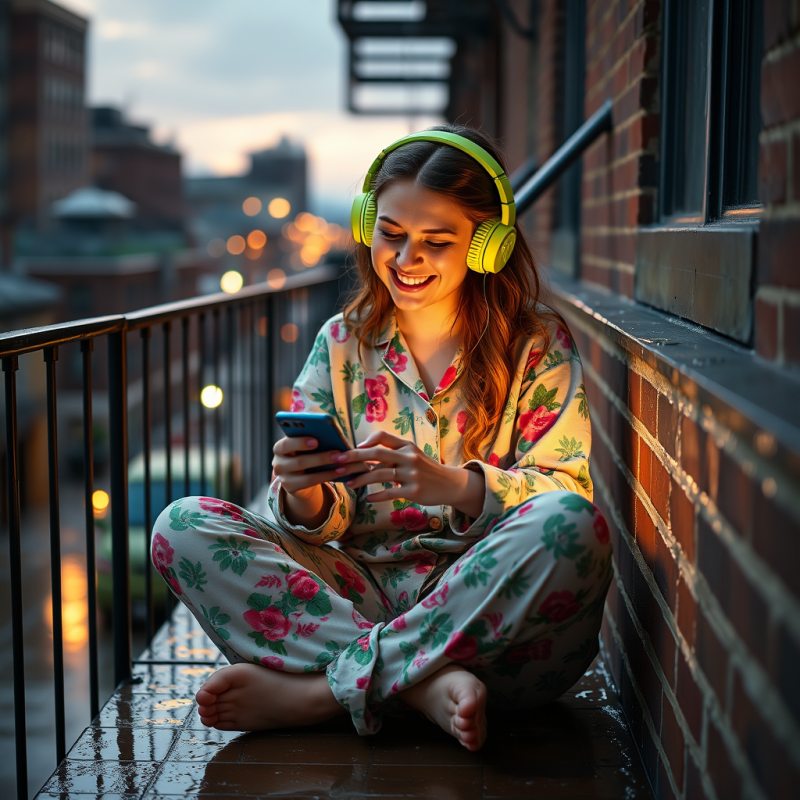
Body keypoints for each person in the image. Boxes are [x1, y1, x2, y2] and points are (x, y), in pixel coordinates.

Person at [150, 124, 613, 752]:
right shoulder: (342, 342)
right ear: (368, 225)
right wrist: (304, 493)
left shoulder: (537, 343)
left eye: (436, 242)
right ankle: (420, 688)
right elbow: (316, 521)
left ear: (487, 247)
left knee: (572, 524)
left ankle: (319, 696)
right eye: (391, 234)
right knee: (181, 526)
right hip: (359, 597)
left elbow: (565, 491)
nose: (405, 258)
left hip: (493, 626)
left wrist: (455, 485)